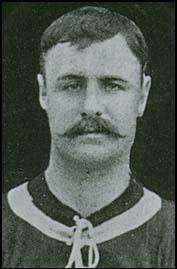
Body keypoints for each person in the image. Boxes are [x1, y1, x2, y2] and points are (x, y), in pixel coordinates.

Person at [2, 6, 175, 268]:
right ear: (44, 92)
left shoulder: (169, 235)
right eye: (72, 85)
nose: (90, 105)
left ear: (142, 95)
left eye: (113, 85)